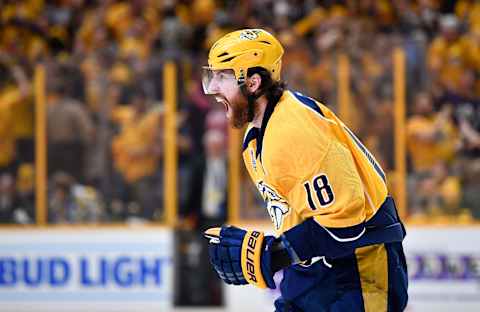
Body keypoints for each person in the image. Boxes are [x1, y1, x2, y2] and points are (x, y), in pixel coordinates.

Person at [201, 29, 408, 312]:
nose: (212, 87)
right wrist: (278, 253)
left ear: (252, 83)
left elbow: (346, 226)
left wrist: (273, 255)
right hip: (313, 271)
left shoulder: (294, 129)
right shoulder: (256, 138)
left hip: (359, 268)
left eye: (221, 77)